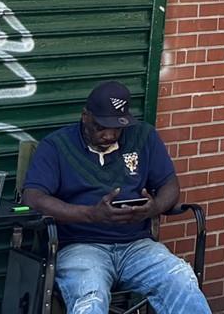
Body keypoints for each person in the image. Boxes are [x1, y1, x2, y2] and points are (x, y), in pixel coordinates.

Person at [20, 81, 210, 314]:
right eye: (101, 126)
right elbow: (33, 197)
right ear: (85, 116)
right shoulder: (57, 146)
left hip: (138, 247)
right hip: (81, 247)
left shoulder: (143, 136)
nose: (109, 135)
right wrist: (91, 214)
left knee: (181, 279)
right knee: (91, 296)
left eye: (117, 128)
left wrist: (154, 207)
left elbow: (169, 185)